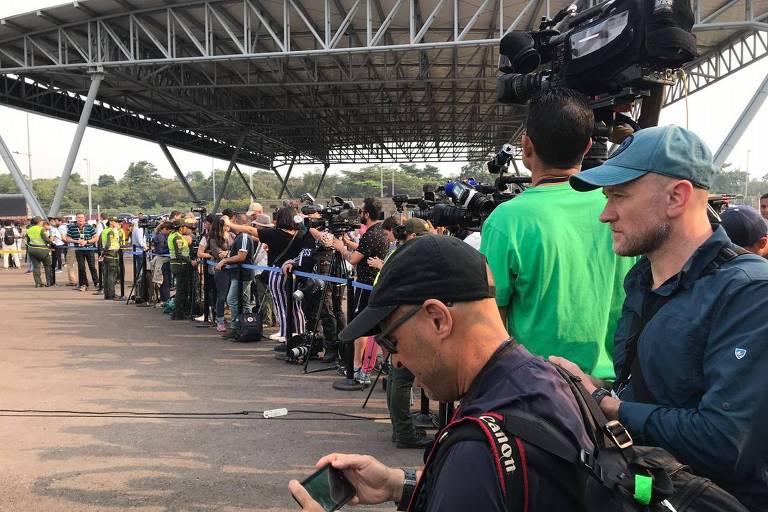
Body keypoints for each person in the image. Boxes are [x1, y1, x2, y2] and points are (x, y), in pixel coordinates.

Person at [290, 235, 590, 511]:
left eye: (390, 341)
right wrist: (397, 484)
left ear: (437, 319)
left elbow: (477, 482)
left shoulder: (477, 453)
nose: (394, 361)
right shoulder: (556, 378)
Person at [556, 125, 768, 511]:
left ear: (677, 196)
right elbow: (654, 389)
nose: (606, 214)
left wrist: (607, 404)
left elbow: (726, 442)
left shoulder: (750, 292)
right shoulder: (642, 280)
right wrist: (586, 387)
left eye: (619, 195)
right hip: (650, 491)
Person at [480, 87, 636, 381]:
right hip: (613, 394)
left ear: (526, 147)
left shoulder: (507, 220)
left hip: (539, 392)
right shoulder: (618, 208)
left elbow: (492, 326)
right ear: (588, 147)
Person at [225, 206, 307, 342]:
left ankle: (286, 334)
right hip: (295, 274)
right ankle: (299, 333)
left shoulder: (274, 234)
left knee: (281, 305)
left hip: (278, 273)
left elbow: (250, 230)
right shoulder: (301, 234)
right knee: (296, 307)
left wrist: (229, 224)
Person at [331, 198, 388, 384]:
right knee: (375, 329)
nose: (360, 215)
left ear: (367, 214)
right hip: (374, 285)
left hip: (365, 286)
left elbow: (354, 259)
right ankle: (367, 366)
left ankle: (357, 368)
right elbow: (364, 250)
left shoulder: (371, 234)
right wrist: (350, 243)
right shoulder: (379, 232)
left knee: (361, 328)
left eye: (362, 211)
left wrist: (340, 248)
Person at [216, 213, 256, 330]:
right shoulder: (240, 236)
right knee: (244, 301)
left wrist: (224, 261)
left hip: (243, 274)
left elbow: (241, 256)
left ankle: (236, 325)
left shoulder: (243, 236)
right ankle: (248, 325)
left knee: (232, 299)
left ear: (236, 222)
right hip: (240, 273)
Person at [206, 215, 234, 332]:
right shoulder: (213, 239)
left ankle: (235, 320)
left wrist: (228, 254)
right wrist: (232, 254)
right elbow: (219, 254)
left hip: (233, 268)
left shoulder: (232, 235)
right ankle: (220, 320)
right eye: (225, 224)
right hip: (221, 270)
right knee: (222, 296)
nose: (228, 226)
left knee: (233, 297)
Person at [167, 218, 197, 320]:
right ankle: (178, 313)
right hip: (180, 265)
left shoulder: (172, 235)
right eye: (185, 227)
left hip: (176, 264)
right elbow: (179, 253)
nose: (186, 229)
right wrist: (190, 261)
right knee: (181, 290)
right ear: (181, 228)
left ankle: (178, 312)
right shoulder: (178, 238)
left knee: (181, 289)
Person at [65, 213, 99, 292]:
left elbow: (96, 238)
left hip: (89, 249)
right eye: (79, 217)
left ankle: (97, 283)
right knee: (81, 267)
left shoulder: (89, 227)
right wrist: (76, 241)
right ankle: (83, 284)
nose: (80, 219)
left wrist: (87, 241)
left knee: (92, 267)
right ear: (76, 219)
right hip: (79, 250)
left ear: (84, 219)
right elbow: (67, 238)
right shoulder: (72, 227)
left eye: (82, 217)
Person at [99, 217, 124, 300]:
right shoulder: (112, 232)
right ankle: (111, 294)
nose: (118, 224)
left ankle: (107, 294)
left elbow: (100, 243)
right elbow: (109, 244)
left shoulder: (104, 231)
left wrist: (102, 254)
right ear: (112, 222)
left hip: (107, 255)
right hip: (111, 254)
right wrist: (104, 253)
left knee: (106, 275)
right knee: (111, 276)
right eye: (116, 222)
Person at [25, 216, 53, 287]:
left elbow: (28, 241)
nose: (42, 222)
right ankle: (49, 282)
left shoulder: (29, 230)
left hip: (32, 249)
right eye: (41, 221)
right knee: (47, 265)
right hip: (42, 249)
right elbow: (46, 239)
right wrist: (52, 243)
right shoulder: (41, 229)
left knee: (36, 267)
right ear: (39, 222)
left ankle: (38, 283)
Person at [151, 222, 173, 304]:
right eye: (169, 231)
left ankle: (164, 300)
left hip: (162, 261)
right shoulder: (161, 237)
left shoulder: (160, 236)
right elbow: (160, 251)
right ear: (165, 229)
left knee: (163, 283)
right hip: (163, 261)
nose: (169, 233)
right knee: (165, 283)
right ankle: (166, 301)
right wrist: (171, 250)